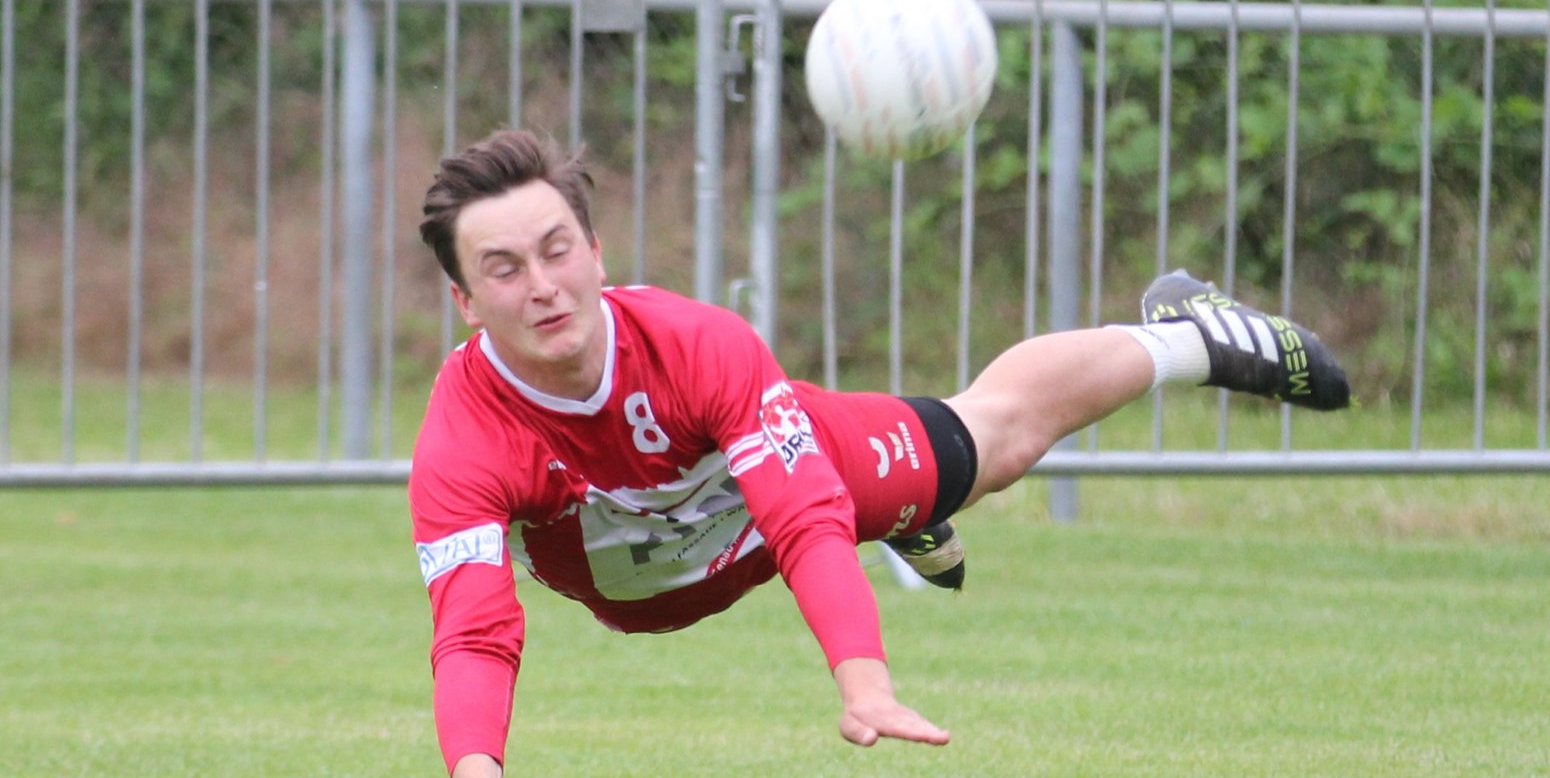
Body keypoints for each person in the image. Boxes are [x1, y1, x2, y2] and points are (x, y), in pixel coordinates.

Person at [409, 129, 1350, 778]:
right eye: (503, 268)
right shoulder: (463, 437)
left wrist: (865, 682)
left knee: (997, 434)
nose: (543, 286)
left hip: (790, 498)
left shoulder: (699, 346)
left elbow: (804, 515)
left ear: (597, 251)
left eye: (557, 249)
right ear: (464, 300)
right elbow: (476, 630)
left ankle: (1188, 337)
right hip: (646, 590)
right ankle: (901, 516)